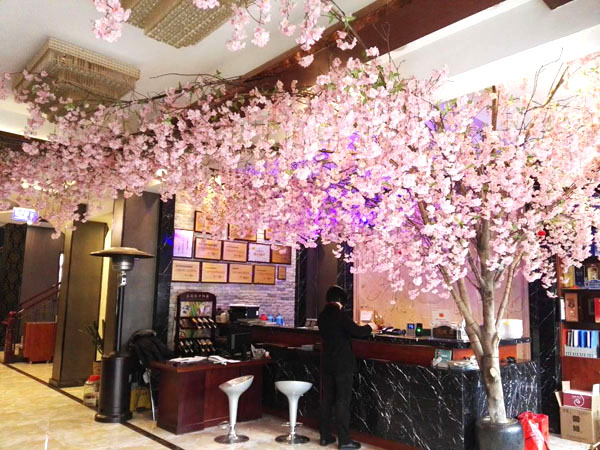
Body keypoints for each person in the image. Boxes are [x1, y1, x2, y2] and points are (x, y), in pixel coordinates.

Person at [317, 285, 375, 449]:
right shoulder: (340, 315)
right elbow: (358, 332)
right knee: (342, 401)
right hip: (342, 365)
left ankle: (324, 436)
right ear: (341, 301)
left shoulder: (322, 316)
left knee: (327, 400)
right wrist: (371, 327)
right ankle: (344, 441)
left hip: (327, 363)